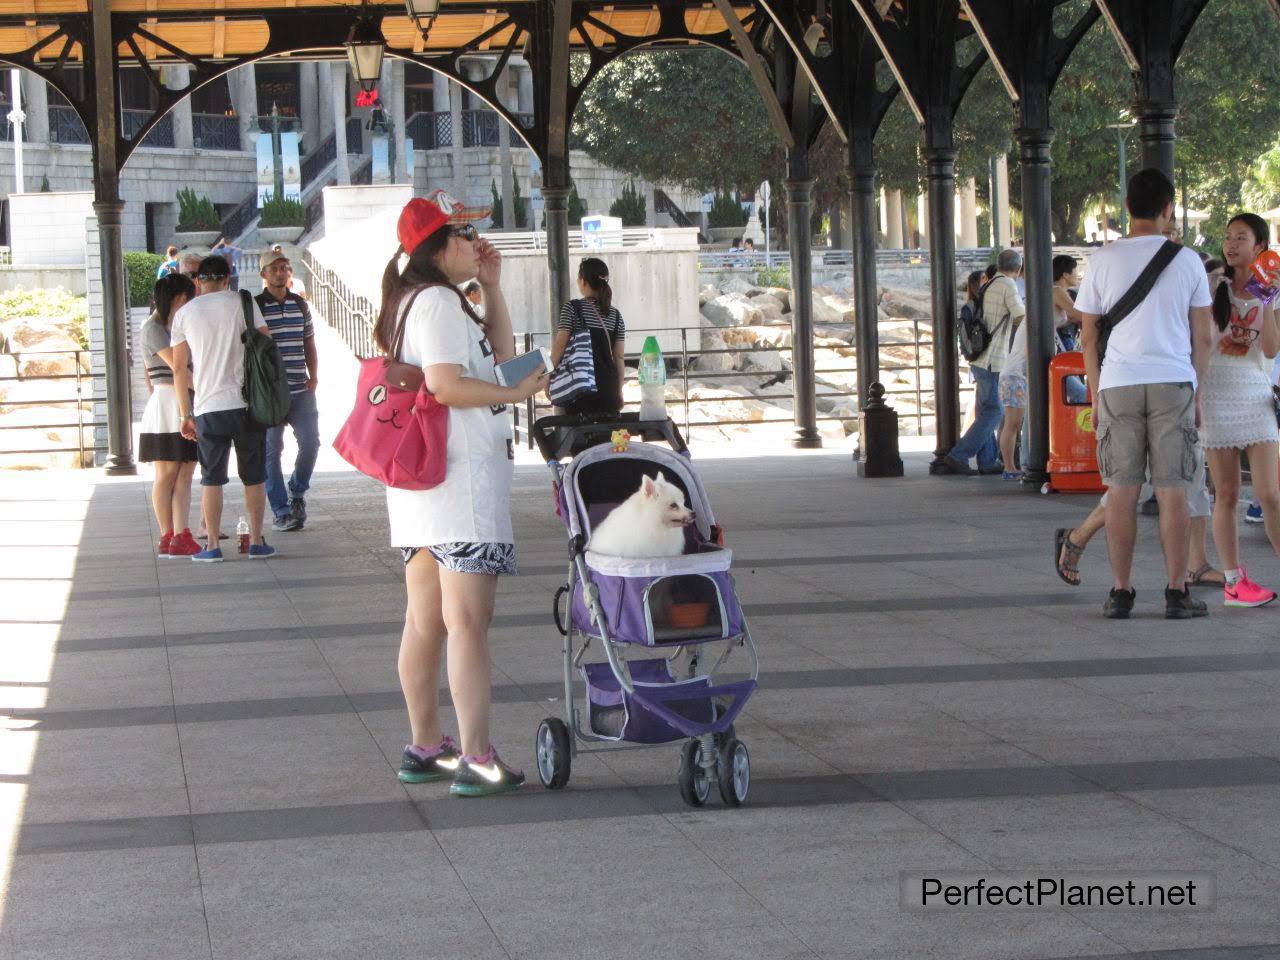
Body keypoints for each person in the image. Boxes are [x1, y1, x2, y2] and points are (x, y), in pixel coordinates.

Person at [378, 196, 547, 797]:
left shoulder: (414, 301)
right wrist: (521, 393)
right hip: (460, 485)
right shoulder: (441, 303)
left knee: (426, 620)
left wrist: (492, 286)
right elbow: (447, 386)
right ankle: (477, 757)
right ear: (436, 246)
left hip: (423, 487)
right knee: (468, 621)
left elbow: (498, 357)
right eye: (462, 233)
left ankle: (426, 745)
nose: (474, 241)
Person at [1076, 168, 1213, 619]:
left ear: (1127, 208)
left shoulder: (1101, 261)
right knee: (1174, 491)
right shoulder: (1189, 260)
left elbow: (1090, 339)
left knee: (1121, 491)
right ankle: (1176, 592)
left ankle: (1120, 591)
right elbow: (1202, 338)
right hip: (1174, 381)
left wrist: (1096, 395)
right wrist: (1197, 393)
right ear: (1168, 209)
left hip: (1118, 383)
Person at [171, 255, 275, 562]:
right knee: (254, 475)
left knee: (211, 477)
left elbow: (179, 369)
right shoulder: (243, 303)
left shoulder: (185, 313)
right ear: (228, 278)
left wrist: (185, 414)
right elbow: (266, 344)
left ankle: (213, 545)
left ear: (198, 281)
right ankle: (256, 541)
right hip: (247, 404)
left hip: (208, 406)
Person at [1200, 213, 1280, 607]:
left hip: (1254, 393)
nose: (1231, 244)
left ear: (1260, 246)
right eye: (1228, 237)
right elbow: (1202, 344)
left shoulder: (1273, 292)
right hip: (1215, 394)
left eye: (1241, 237)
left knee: (1270, 493)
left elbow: (1269, 350)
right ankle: (1234, 582)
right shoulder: (1213, 285)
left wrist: (1267, 300)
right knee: (1227, 493)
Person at [941, 248, 1025, 475]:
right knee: (994, 412)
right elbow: (1020, 315)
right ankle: (958, 456)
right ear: (1018, 269)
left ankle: (987, 461)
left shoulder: (988, 284)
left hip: (980, 358)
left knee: (984, 409)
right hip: (995, 360)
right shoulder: (1008, 284)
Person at [256, 249, 321, 533]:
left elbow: (309, 342)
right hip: (270, 392)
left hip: (300, 387)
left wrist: (314, 375)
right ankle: (280, 510)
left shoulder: (299, 304)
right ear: (264, 275)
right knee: (271, 451)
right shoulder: (256, 306)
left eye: (285, 268)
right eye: (275, 269)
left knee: (311, 443)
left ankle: (297, 491)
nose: (281, 272)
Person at [139, 273, 201, 558]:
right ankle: (168, 533)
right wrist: (207, 385)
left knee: (186, 471)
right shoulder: (153, 328)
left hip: (180, 399)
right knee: (165, 474)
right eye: (189, 297)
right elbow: (178, 369)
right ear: (178, 298)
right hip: (167, 401)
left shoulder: (176, 325)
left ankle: (181, 532)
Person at [550, 257, 626, 415]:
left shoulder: (572, 309)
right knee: (607, 439)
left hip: (579, 388)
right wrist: (618, 391)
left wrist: (546, 379)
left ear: (583, 281)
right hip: (608, 390)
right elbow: (618, 358)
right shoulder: (616, 316)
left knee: (575, 437)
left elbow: (559, 347)